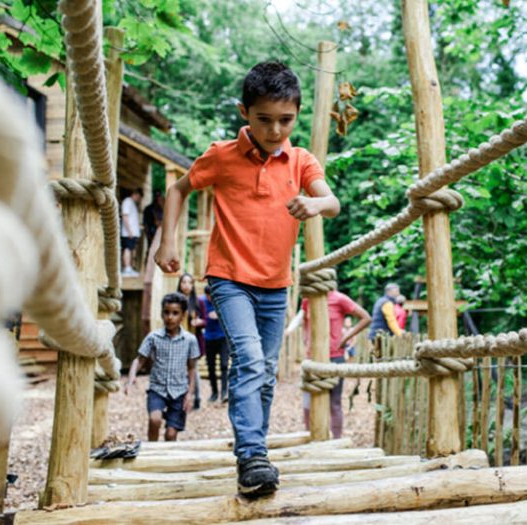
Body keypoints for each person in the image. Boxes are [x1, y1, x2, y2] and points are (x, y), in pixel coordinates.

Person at [154, 61, 340, 497]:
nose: (276, 130)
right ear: (245, 112)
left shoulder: (300, 161)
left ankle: (254, 451)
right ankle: (253, 455)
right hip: (229, 277)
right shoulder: (221, 156)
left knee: (267, 372)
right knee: (251, 361)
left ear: (296, 114)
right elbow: (179, 189)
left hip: (276, 284)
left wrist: (315, 206)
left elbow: (330, 201)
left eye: (286, 120)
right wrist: (168, 242)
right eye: (264, 119)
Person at [125, 293, 199, 441]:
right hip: (157, 389)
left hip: (179, 392)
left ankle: (168, 457)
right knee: (155, 420)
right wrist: (131, 377)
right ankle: (152, 449)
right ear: (161, 313)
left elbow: (192, 368)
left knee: (171, 434)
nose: (170, 317)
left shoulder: (190, 340)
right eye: (166, 312)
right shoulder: (153, 337)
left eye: (175, 313)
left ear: (183, 316)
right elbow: (139, 360)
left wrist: (190, 394)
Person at [301, 289, 371, 438]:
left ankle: (336, 439)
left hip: (335, 357)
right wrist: (306, 340)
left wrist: (345, 338)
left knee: (334, 403)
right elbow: (305, 321)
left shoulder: (339, 299)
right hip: (312, 358)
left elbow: (366, 318)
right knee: (307, 404)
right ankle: (309, 438)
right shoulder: (308, 299)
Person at [178, 273, 206, 410]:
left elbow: (206, 320)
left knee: (193, 369)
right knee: (180, 370)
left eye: (189, 282)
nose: (186, 285)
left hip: (194, 340)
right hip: (178, 340)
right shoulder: (175, 300)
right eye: (184, 282)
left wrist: (199, 322)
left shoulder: (198, 301)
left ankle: (197, 397)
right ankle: (180, 399)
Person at [202, 285, 230, 403]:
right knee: (211, 367)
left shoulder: (222, 301)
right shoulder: (202, 302)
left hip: (222, 337)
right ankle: (214, 392)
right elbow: (200, 317)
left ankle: (224, 392)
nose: (210, 298)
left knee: (224, 365)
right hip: (209, 338)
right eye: (208, 296)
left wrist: (219, 316)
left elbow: (230, 316)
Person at [121, 188, 144, 276]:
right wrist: (129, 231)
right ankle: (126, 269)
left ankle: (129, 268)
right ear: (135, 194)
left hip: (132, 232)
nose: (139, 200)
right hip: (128, 233)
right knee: (127, 249)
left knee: (131, 250)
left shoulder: (132, 203)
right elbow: (125, 216)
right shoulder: (127, 201)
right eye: (139, 197)